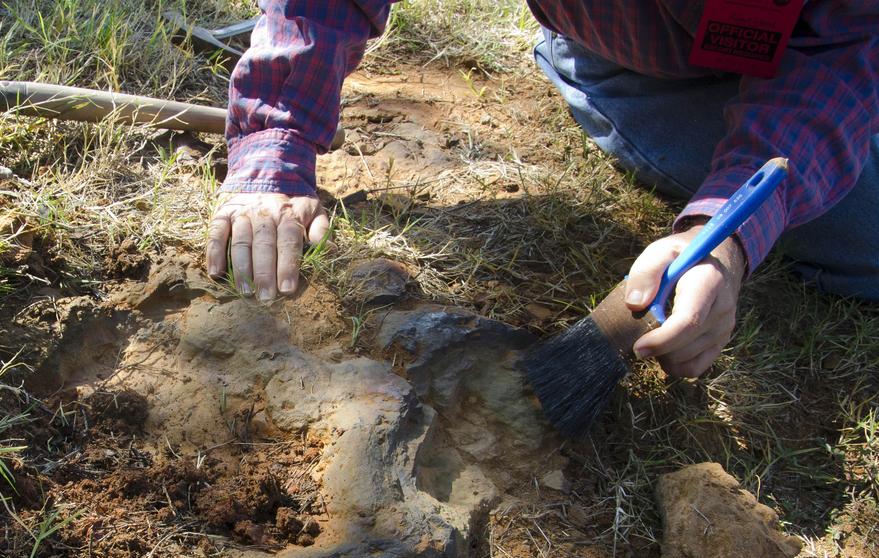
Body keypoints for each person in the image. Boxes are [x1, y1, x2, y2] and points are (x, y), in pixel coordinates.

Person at [205, 1, 879, 378]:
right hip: (639, 66)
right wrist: (276, 141)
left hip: (813, 60)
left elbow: (838, 64)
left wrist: (725, 235)